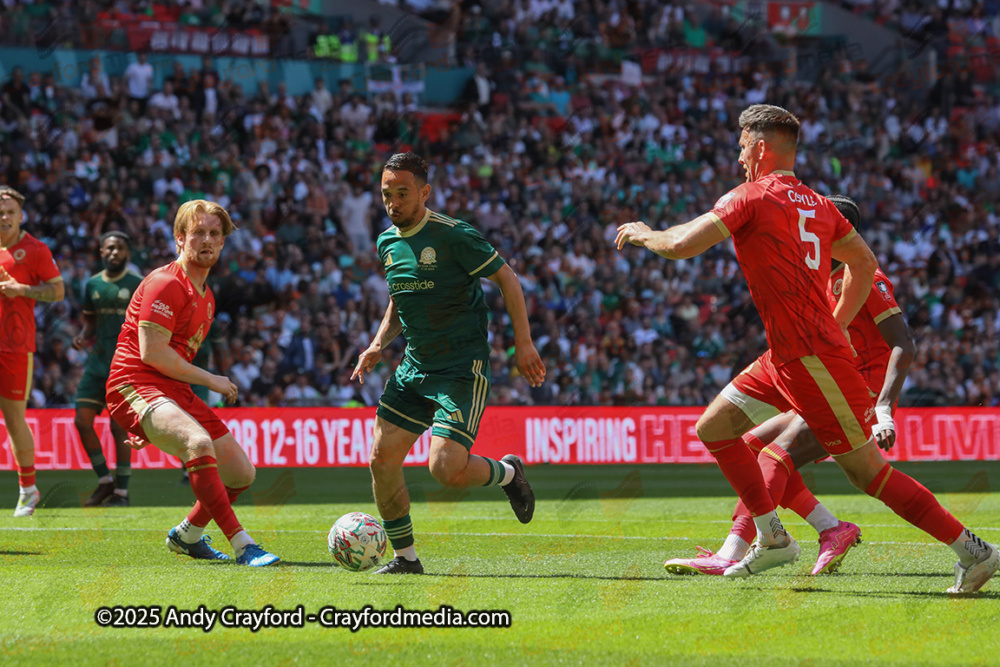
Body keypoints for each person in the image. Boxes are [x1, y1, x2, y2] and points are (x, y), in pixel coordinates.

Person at [615, 105, 998, 594]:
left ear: (759, 148)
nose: (738, 159)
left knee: (868, 474)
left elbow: (682, 244)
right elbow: (864, 261)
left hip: (813, 357)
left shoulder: (749, 197)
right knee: (714, 428)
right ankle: (773, 537)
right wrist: (836, 322)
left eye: (740, 148)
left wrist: (647, 235)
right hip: (787, 355)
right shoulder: (820, 205)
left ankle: (974, 551)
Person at [664, 195, 915, 576]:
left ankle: (734, 550)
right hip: (823, 381)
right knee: (750, 445)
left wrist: (884, 407)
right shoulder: (815, 281)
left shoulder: (866, 277)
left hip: (854, 392)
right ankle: (832, 528)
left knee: (780, 458)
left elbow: (904, 344)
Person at [352, 152, 547, 575]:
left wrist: (524, 343)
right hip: (413, 369)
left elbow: (507, 279)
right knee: (381, 461)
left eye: (402, 193)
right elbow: (399, 299)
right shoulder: (387, 242)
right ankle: (406, 559)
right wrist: (378, 343)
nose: (393, 203)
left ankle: (508, 474)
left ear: (424, 192)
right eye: (387, 194)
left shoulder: (455, 235)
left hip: (460, 369)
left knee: (444, 469)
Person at [105, 200, 279, 566]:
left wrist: (156, 423)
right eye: (198, 232)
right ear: (179, 239)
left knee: (242, 473)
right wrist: (212, 379)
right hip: (133, 382)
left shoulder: (208, 298)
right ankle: (243, 544)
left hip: (171, 390)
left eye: (215, 234)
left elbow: (172, 361)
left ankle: (188, 535)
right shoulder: (165, 283)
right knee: (198, 443)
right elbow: (152, 354)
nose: (207, 240)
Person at [0, 186, 65, 516]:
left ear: (21, 215)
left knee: (14, 420)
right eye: (0, 212)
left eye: (10, 211)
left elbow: (58, 291)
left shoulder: (35, 250)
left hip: (13, 347)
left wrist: (20, 289)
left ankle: (28, 489)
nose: (4, 217)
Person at [72, 231, 143, 507]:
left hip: (124, 365)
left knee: (118, 428)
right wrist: (82, 335)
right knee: (81, 421)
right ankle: (105, 481)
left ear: (128, 253)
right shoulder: (91, 284)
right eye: (110, 248)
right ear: (101, 251)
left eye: (120, 249)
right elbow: (89, 321)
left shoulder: (138, 284)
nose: (114, 253)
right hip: (97, 363)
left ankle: (122, 494)